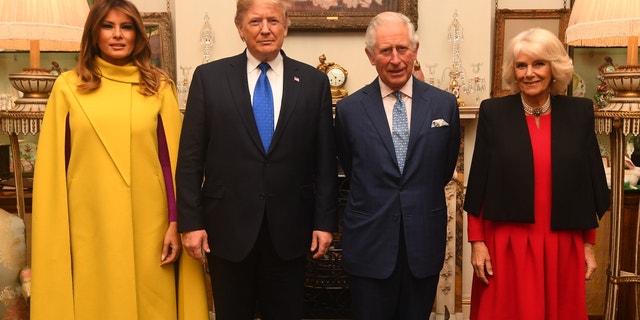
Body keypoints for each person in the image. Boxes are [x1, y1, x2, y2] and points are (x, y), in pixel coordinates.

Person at [30, 0, 209, 319]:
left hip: (151, 225)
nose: (117, 35)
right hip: (88, 221)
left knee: (153, 303)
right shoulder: (68, 88)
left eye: (126, 27)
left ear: (137, 35)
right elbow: (56, 167)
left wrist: (174, 222)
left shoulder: (159, 86)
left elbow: (172, 165)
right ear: (93, 34)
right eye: (108, 26)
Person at [175, 0, 338, 319]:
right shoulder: (209, 78)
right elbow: (190, 158)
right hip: (226, 229)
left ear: (286, 27)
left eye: (274, 21)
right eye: (255, 22)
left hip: (291, 229)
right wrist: (191, 224)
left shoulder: (313, 83)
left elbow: (325, 162)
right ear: (239, 28)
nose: (266, 29)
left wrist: (324, 222)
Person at [463, 28, 610, 320]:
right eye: (521, 65)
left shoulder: (579, 113)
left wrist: (587, 245)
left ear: (554, 68)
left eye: (538, 64)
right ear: (513, 71)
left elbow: (586, 186)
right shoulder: (494, 112)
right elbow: (478, 182)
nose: (529, 73)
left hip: (562, 242)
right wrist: (477, 243)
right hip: (506, 244)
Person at [335, 11, 460, 319]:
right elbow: (352, 169)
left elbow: (444, 168)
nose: (395, 59)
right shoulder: (349, 109)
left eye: (402, 49)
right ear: (370, 56)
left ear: (415, 50)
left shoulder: (444, 104)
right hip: (369, 242)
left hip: (423, 242)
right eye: (385, 51)